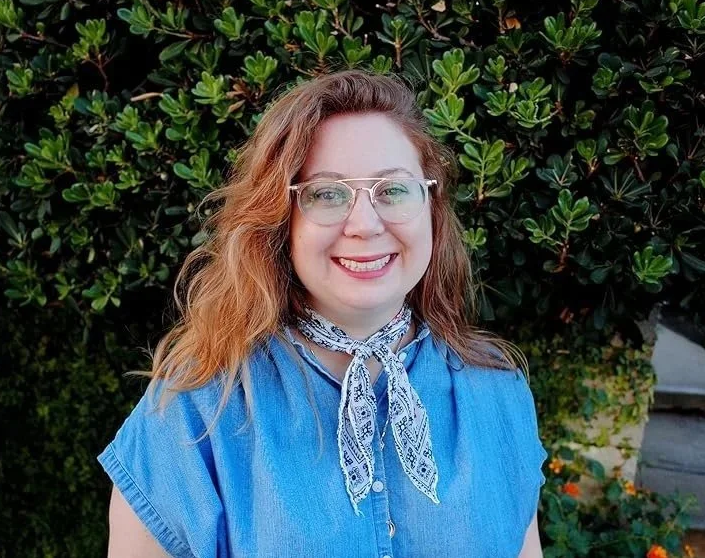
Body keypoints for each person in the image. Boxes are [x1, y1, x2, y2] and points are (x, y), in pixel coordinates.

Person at [98, 69, 548, 558]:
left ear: (431, 208)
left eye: (392, 190)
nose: (365, 224)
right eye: (326, 193)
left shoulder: (497, 394)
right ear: (280, 219)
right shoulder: (195, 410)